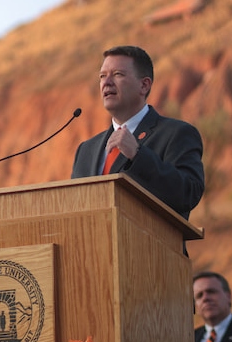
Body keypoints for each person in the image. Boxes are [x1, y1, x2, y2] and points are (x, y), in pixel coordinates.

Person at [71, 45, 204, 221]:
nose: (107, 82)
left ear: (144, 85)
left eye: (118, 74)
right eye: (102, 76)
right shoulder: (86, 150)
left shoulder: (177, 134)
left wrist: (138, 155)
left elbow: (188, 193)